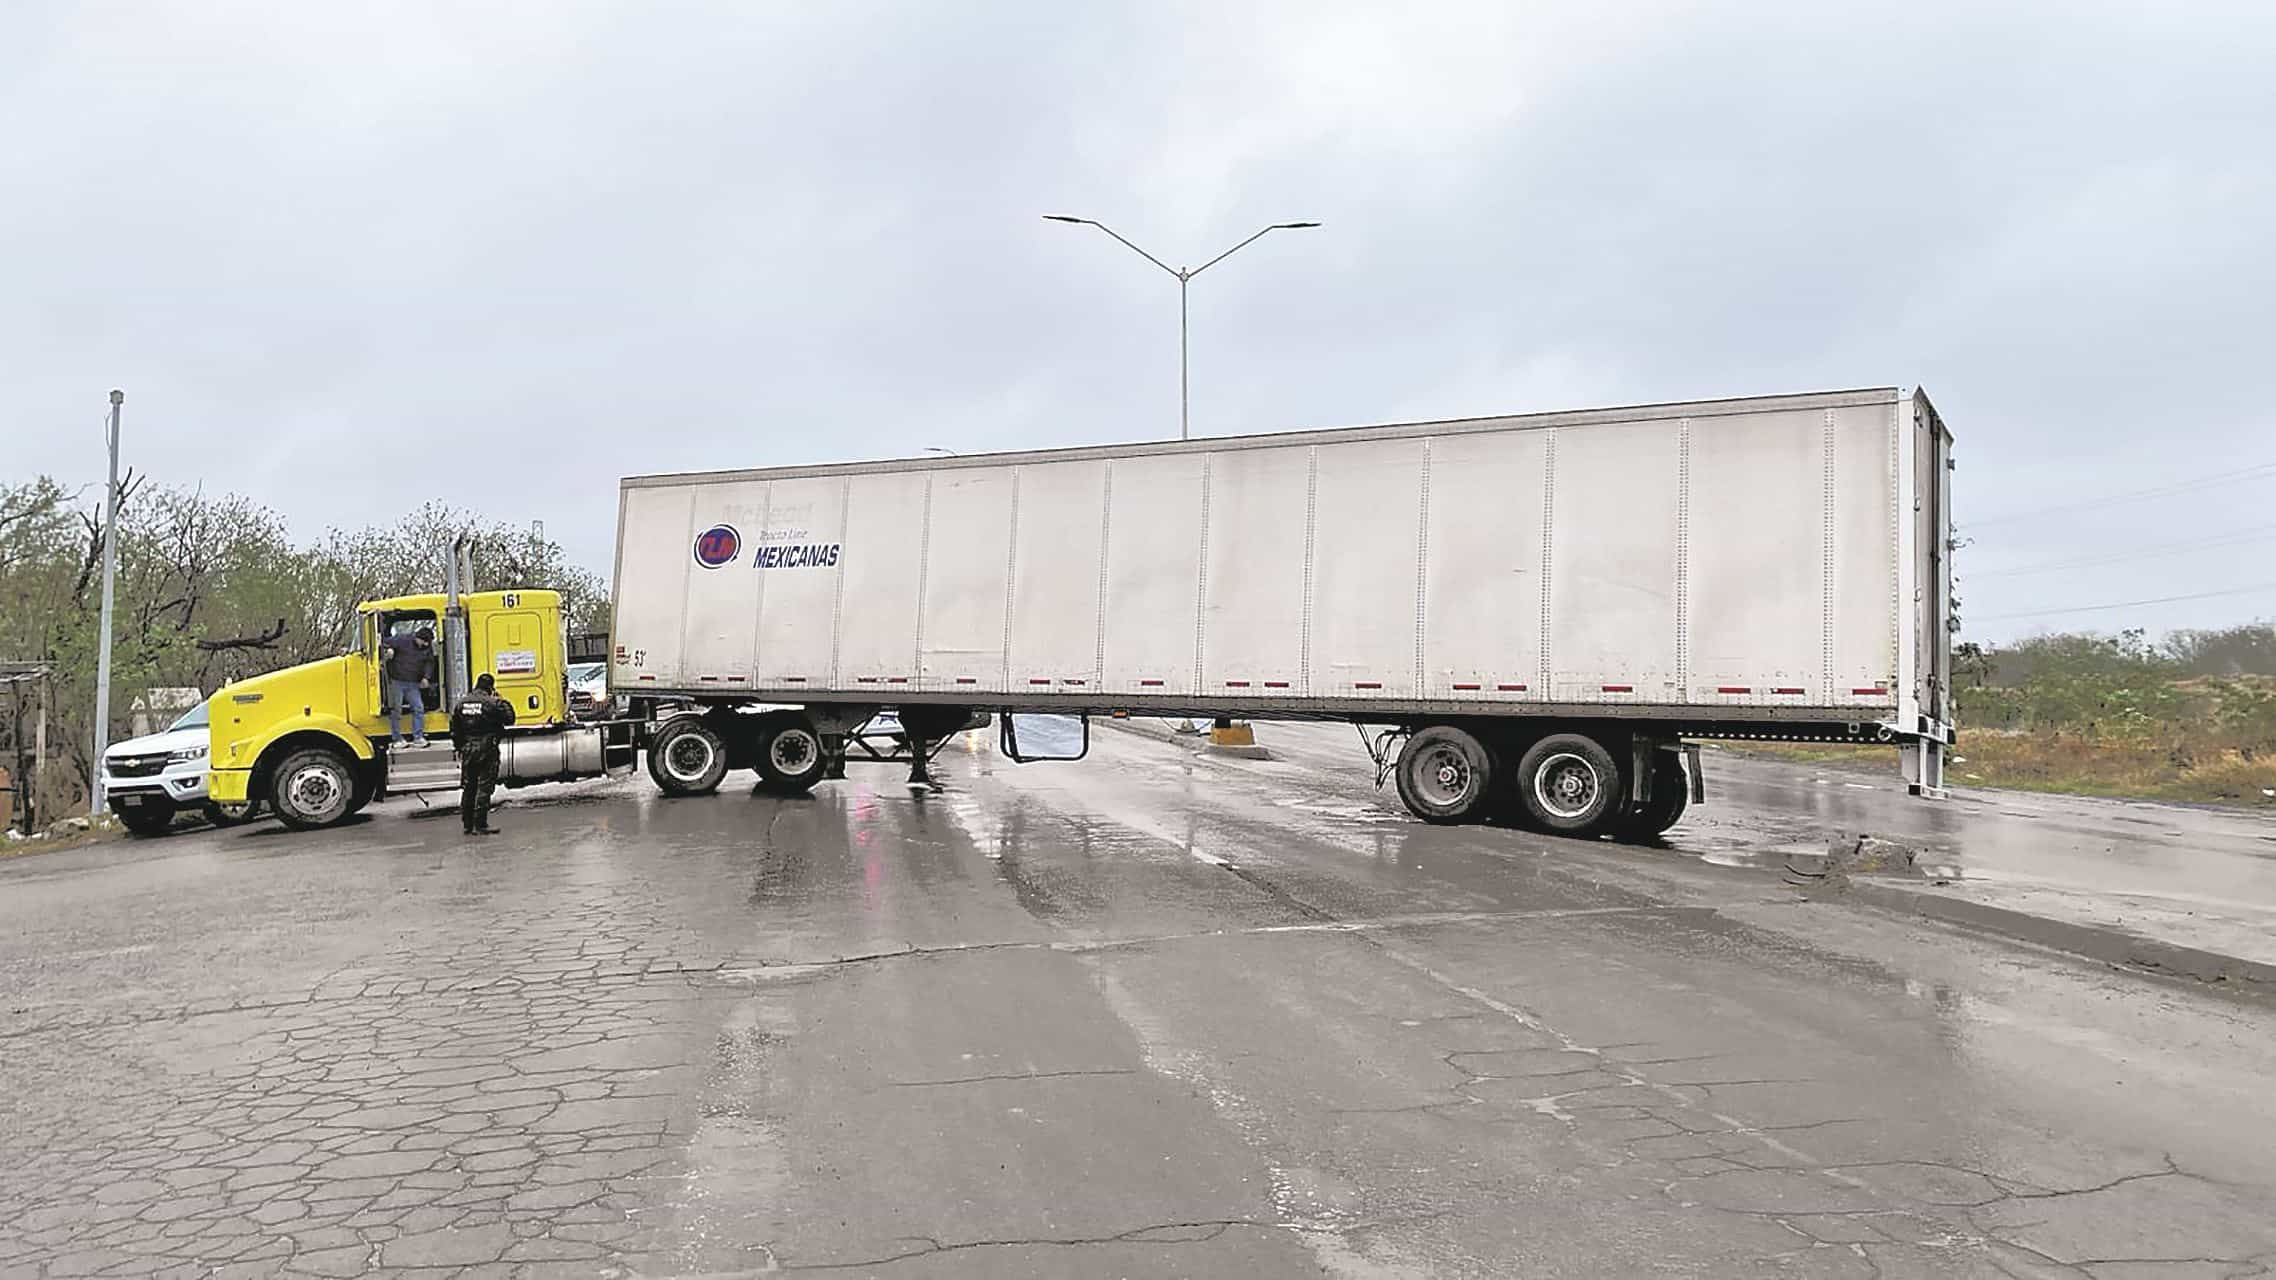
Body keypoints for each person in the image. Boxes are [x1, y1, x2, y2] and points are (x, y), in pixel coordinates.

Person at [450, 673, 517, 835]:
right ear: (490, 687)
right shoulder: (492, 703)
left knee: (469, 787)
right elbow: (510, 718)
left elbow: (454, 729)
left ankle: (467, 824)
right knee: (484, 787)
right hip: (487, 749)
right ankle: (480, 824)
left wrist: (461, 747)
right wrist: (501, 700)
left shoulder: (461, 703)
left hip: (469, 749)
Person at [380, 625, 437, 748]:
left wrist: (426, 677)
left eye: (428, 643)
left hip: (413, 683)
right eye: (424, 642)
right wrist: (388, 650)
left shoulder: (427, 648)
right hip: (396, 681)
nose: (426, 645)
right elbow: (384, 642)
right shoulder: (402, 639)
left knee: (418, 708)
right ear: (418, 637)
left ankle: (418, 737)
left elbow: (429, 662)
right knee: (396, 710)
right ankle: (397, 739)